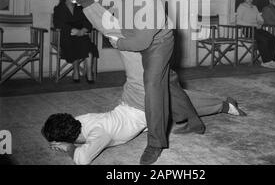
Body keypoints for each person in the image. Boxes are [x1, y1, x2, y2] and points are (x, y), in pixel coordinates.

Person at [65, 0, 239, 164]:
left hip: (156, 45)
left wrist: (117, 43)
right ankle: (212, 113)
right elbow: (113, 1)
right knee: (171, 88)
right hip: (137, 33)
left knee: (153, 88)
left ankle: (156, 143)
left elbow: (141, 42)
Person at [42, 50, 246, 165]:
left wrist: (69, 148)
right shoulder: (80, 119)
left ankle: (224, 105)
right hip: (128, 102)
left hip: (140, 106)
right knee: (180, 99)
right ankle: (225, 105)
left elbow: (82, 159)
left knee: (178, 97)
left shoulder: (98, 133)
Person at [53, 0, 99, 83]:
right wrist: (72, 30)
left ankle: (89, 72)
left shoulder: (80, 8)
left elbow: (88, 23)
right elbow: (58, 24)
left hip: (81, 35)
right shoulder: (59, 8)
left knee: (88, 45)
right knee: (77, 44)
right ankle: (76, 71)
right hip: (67, 36)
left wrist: (82, 31)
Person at [236, 0, 275, 69]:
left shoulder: (255, 7)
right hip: (247, 30)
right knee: (263, 39)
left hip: (257, 29)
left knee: (274, 39)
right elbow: (238, 21)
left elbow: (260, 19)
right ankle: (266, 61)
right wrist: (253, 25)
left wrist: (260, 23)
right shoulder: (241, 7)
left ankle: (271, 60)